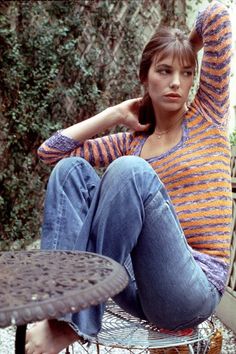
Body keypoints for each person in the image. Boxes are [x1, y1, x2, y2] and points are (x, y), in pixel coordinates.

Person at [26, 1, 233, 353]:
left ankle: (75, 324)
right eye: (164, 71)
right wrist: (113, 114)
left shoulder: (207, 117)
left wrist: (186, 48)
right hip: (134, 287)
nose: (176, 83)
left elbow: (217, 17)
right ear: (144, 77)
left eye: (186, 73)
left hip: (190, 290)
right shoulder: (130, 142)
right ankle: (58, 308)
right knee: (71, 170)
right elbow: (51, 154)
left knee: (130, 171)